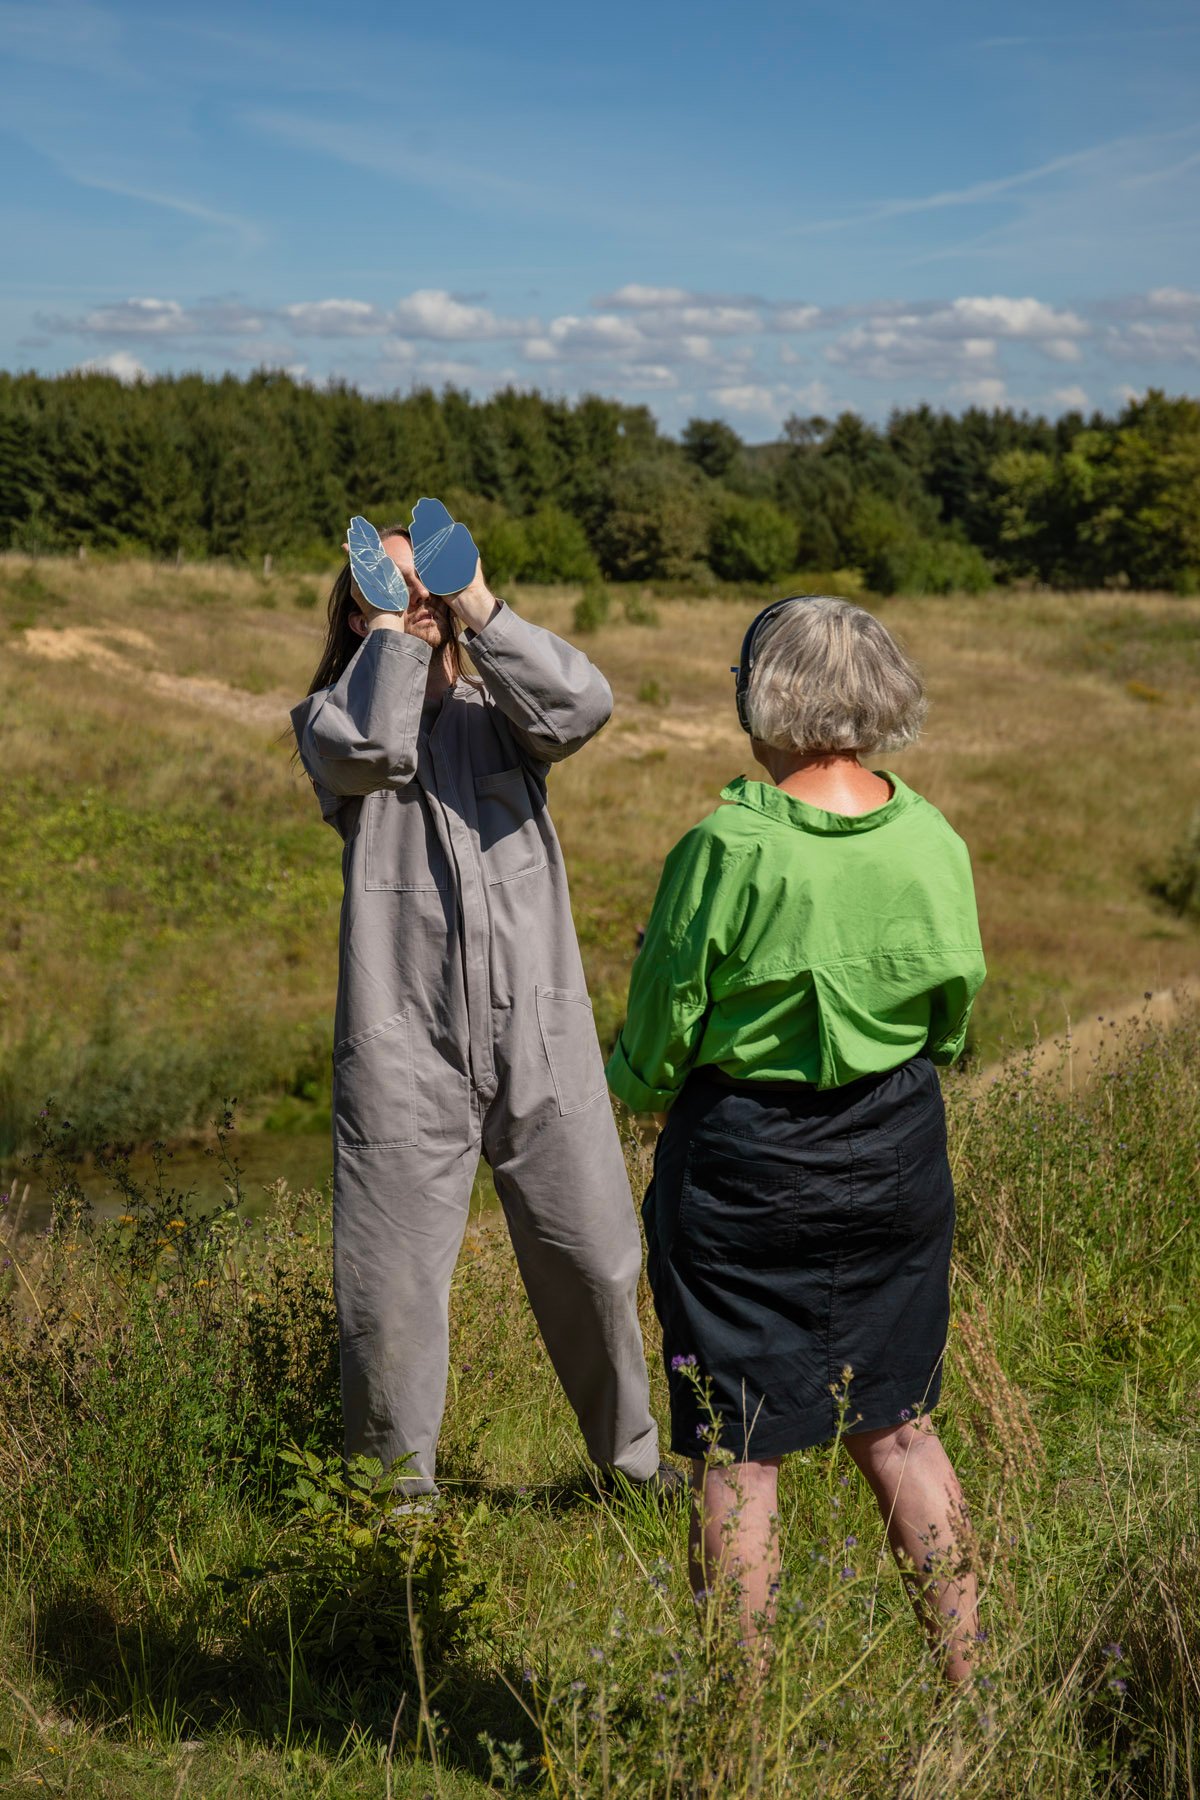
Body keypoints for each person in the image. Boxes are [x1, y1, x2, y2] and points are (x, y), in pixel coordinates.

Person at [606, 596, 987, 1681]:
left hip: (744, 1168)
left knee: (740, 1452)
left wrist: (632, 1084)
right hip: (899, 1148)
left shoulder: (723, 845)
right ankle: (977, 1693)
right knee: (902, 1428)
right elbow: (953, 1012)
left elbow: (658, 1043)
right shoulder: (931, 834)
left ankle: (741, 1735)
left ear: (760, 696)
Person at [292, 522, 672, 1502]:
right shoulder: (330, 719)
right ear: (355, 607)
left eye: (427, 580)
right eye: (389, 583)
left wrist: (480, 610)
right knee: (389, 1297)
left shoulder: (503, 713)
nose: (415, 596)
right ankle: (393, 1509)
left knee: (594, 1260)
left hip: (539, 1039)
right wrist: (395, 638)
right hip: (401, 1052)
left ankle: (630, 1471)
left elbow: (585, 704)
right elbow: (375, 751)